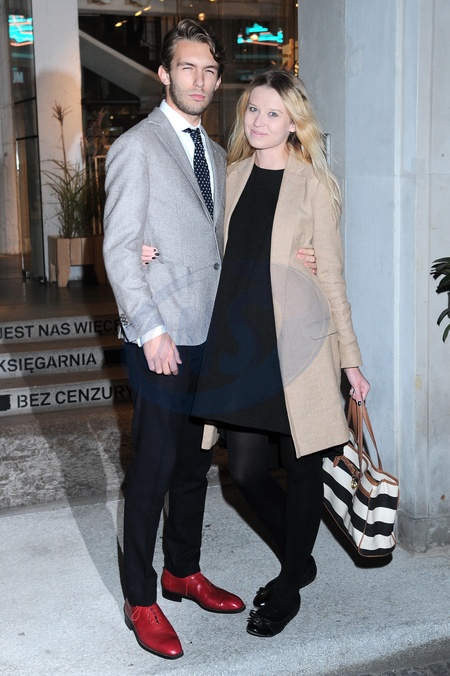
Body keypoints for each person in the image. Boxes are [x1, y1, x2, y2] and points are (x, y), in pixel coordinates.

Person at [189, 69, 371, 638]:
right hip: (241, 347)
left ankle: (290, 585)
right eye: (253, 110)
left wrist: (350, 359)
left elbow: (332, 276)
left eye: (273, 113)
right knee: (244, 470)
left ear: (294, 123)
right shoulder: (231, 175)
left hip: (299, 346)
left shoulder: (314, 184)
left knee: (301, 467)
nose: (259, 121)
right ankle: (301, 556)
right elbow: (207, 251)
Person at [102, 19, 245, 661]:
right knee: (153, 470)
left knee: (194, 466)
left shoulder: (215, 153)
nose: (200, 80)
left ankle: (182, 570)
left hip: (208, 336)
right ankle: (140, 598)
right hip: (160, 338)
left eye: (210, 70)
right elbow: (119, 249)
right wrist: (152, 330)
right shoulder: (137, 146)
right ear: (164, 74)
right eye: (188, 67)